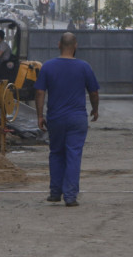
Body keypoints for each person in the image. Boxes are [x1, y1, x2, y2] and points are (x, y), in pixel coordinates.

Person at [34, 32, 99, 207]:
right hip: (77, 119)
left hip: (56, 118)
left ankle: (55, 192)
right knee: (73, 155)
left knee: (56, 153)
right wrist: (95, 109)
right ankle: (70, 196)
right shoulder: (84, 67)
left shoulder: (48, 67)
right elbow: (93, 92)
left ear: (58, 45)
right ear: (75, 46)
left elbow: (40, 92)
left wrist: (40, 115)